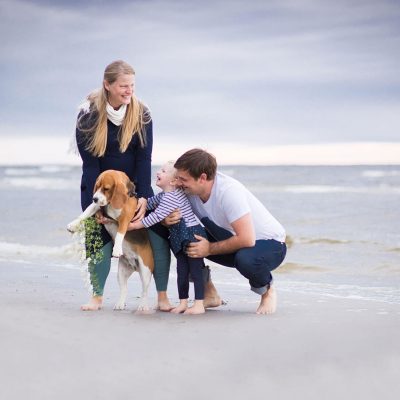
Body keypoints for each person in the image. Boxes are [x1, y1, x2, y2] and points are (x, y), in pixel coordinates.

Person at [74, 60, 172, 311]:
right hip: (101, 185)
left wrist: (143, 198)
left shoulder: (142, 113)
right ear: (107, 85)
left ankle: (161, 296)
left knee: (156, 231)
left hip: (133, 186)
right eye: (123, 86)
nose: (129, 91)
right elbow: (90, 165)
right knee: (96, 235)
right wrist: (93, 205)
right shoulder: (87, 114)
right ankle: (96, 296)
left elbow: (144, 158)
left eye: (132, 85)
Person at [167, 148, 287, 314]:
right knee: (183, 236)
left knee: (245, 259)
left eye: (183, 179)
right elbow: (165, 206)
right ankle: (209, 293)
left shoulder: (228, 191)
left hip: (270, 245)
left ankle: (267, 291)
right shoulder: (189, 190)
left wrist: (208, 249)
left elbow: (247, 239)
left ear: (202, 178)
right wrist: (167, 220)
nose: (178, 182)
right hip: (229, 237)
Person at [128, 161, 207, 314]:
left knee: (195, 270)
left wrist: (134, 226)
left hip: (192, 236)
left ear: (172, 181)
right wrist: (132, 206)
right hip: (180, 237)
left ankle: (199, 304)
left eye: (163, 171)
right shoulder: (164, 195)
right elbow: (149, 204)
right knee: (182, 270)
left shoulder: (171, 198)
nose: (158, 172)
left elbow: (156, 216)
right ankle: (183, 302)